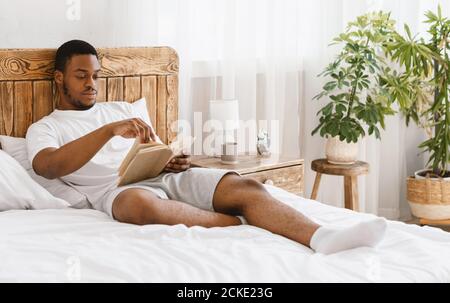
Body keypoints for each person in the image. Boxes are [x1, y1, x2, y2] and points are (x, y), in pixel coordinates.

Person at [26, 40, 387, 255]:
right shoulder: (45, 128)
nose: (92, 84)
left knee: (245, 185)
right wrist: (107, 131)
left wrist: (168, 159)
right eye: (81, 76)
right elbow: (49, 167)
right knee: (137, 204)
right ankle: (239, 223)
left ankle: (323, 237)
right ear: (60, 78)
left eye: (96, 76)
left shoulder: (120, 109)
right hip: (116, 193)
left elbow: (151, 149)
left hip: (160, 177)